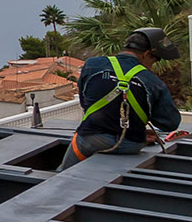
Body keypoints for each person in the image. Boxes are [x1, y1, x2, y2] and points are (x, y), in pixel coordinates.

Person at [62, 27, 183, 169]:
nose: (151, 66)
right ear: (146, 54)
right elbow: (170, 123)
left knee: (62, 175)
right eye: (154, 61)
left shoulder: (92, 64)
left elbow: (86, 103)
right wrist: (136, 127)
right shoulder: (152, 82)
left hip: (90, 142)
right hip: (131, 144)